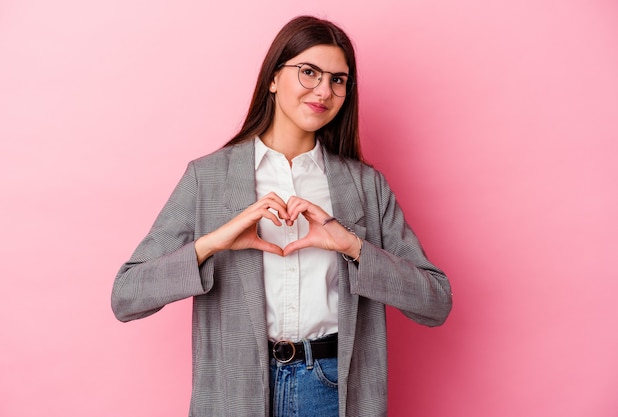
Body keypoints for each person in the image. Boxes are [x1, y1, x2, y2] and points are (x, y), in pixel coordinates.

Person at [112, 15, 452, 417]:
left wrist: (354, 246)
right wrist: (211, 244)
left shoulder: (365, 186)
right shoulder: (208, 178)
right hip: (236, 392)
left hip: (332, 389)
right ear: (273, 78)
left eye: (338, 80)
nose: (324, 90)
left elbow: (435, 302)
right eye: (308, 72)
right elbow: (126, 296)